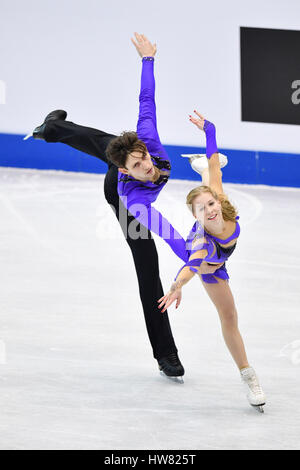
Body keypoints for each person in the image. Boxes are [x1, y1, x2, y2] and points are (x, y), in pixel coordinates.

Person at [26, 33, 220, 380]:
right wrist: (194, 260)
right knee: (148, 264)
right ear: (125, 171)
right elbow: (170, 234)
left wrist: (148, 59)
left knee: (109, 142)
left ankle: (53, 126)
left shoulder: (145, 142)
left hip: (120, 154)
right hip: (119, 199)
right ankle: (166, 354)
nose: (146, 166)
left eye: (143, 159)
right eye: (136, 165)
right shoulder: (135, 200)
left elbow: (147, 98)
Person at [158, 111, 267, 411]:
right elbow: (192, 265)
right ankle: (249, 375)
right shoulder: (201, 243)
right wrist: (177, 284)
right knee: (229, 317)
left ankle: (199, 167)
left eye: (210, 204)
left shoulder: (221, 203)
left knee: (211, 175)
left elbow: (216, 160)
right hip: (212, 268)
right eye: (201, 210)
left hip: (218, 245)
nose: (209, 210)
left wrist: (208, 130)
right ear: (194, 217)